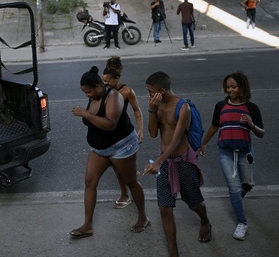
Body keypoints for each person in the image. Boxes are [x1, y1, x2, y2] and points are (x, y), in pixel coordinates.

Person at [69, 66, 149, 239]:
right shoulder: (95, 96)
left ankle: (143, 218)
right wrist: (87, 113)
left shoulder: (113, 96)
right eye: (85, 93)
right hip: (99, 149)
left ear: (98, 87)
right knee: (90, 182)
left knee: (131, 182)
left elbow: (109, 124)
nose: (87, 96)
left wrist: (84, 113)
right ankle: (87, 225)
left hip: (121, 145)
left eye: (88, 92)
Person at [143, 71, 211, 257]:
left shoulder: (183, 108)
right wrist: (151, 109)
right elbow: (153, 134)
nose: (148, 95)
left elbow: (176, 139)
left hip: (183, 162)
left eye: (150, 91)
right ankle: (173, 252)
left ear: (162, 90)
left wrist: (158, 161)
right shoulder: (156, 106)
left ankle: (205, 221)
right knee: (165, 208)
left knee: (194, 203)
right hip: (164, 163)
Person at [199, 71, 264, 241]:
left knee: (248, 185)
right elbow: (214, 126)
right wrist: (204, 143)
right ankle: (242, 222)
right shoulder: (221, 106)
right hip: (225, 153)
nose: (230, 90)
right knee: (234, 188)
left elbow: (261, 133)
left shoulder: (251, 108)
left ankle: (235, 197)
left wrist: (251, 124)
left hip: (245, 152)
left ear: (242, 87)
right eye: (228, 87)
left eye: (233, 86)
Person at [102, 56, 144, 209]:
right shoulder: (102, 88)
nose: (105, 83)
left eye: (108, 80)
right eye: (104, 80)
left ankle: (125, 195)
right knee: (117, 165)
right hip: (108, 131)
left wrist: (140, 130)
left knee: (119, 165)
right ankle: (129, 179)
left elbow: (137, 111)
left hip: (124, 133)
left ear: (117, 77)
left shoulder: (126, 91)